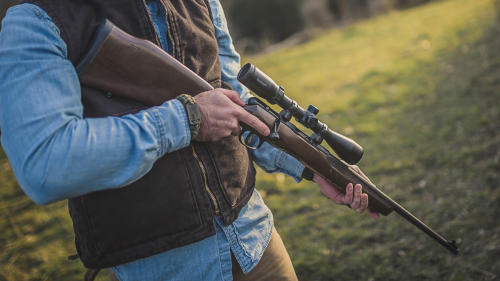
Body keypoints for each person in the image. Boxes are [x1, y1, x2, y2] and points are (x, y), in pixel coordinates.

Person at [0, 0, 378, 280]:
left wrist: (311, 167)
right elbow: (45, 164)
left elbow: (239, 106)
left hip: (255, 238)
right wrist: (186, 119)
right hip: (161, 267)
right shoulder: (37, 20)